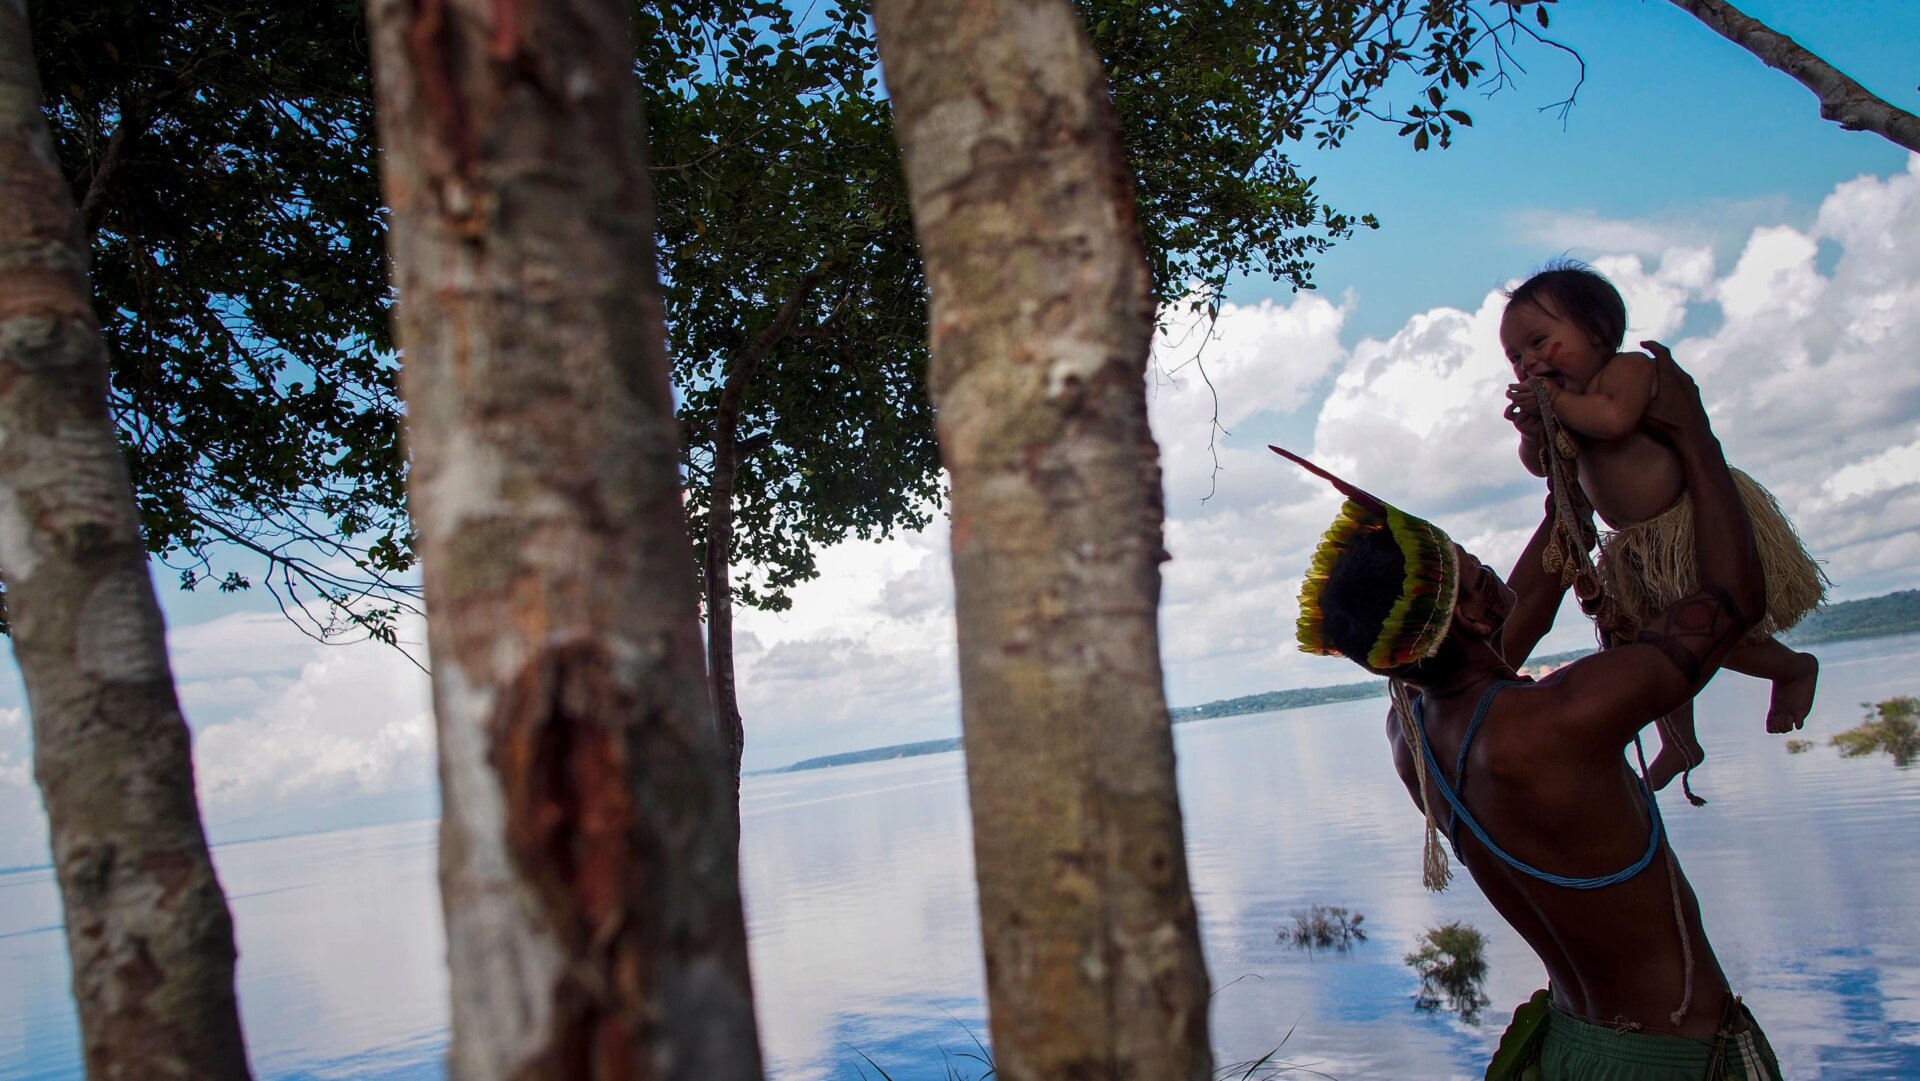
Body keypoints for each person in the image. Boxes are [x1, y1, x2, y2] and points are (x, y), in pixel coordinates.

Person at [1271, 346, 1782, 1079]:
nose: (1495, 578)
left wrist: (1562, 478)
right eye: (1481, 573)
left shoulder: (1412, 732)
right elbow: (1734, 600)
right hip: (1670, 1058)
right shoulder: (1557, 720)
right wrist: (1696, 434)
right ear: (1475, 615)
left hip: (1571, 1047)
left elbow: (1517, 614)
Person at [1499, 262, 1826, 795]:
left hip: (1687, 528)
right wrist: (1533, 431)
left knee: (1716, 633)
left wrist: (1555, 403)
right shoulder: (1563, 408)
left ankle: (1789, 668)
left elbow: (1613, 420)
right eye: (1515, 357)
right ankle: (1678, 740)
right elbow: (1542, 466)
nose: (1528, 362)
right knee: (1643, 645)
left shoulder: (1625, 372)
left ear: (1598, 332)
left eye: (1539, 342)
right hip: (1635, 548)